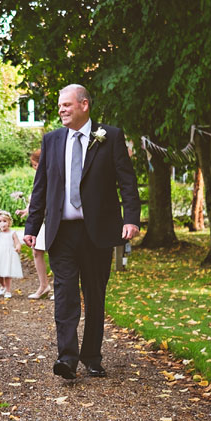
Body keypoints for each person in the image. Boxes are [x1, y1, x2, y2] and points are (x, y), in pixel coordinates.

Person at [23, 84, 140, 380]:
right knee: (64, 296)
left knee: (95, 295)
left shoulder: (110, 137)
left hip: (98, 231)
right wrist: (32, 227)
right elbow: (41, 188)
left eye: (67, 105)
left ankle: (92, 356)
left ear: (84, 105)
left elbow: (127, 182)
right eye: (60, 106)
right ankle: (67, 358)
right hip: (62, 232)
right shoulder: (51, 141)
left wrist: (131, 219)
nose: (61, 110)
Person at [15, 149, 52, 300]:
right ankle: (44, 285)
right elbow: (39, 198)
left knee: (56, 252)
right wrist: (27, 210)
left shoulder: (53, 174)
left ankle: (60, 287)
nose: (34, 168)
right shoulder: (40, 176)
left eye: (35, 164)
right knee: (36, 251)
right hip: (40, 220)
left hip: (51, 219)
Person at [0, 210, 24, 298]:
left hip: (8, 254)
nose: (2, 223)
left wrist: (18, 247)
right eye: (0, 221)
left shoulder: (12, 233)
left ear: (9, 222)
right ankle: (3, 285)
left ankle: (8, 290)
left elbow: (17, 242)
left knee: (7, 272)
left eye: (5, 221)